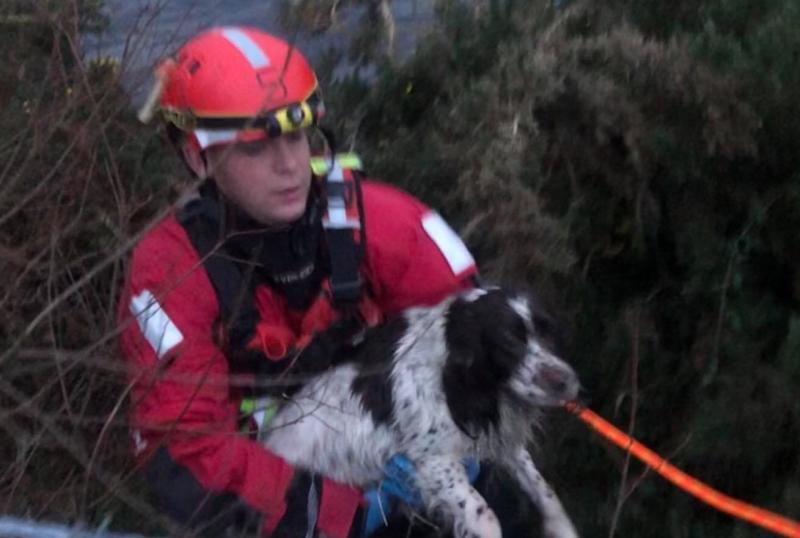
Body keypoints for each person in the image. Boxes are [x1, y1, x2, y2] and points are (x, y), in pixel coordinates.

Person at [118, 26, 480, 537]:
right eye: (255, 148)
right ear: (198, 158)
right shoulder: (169, 273)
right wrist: (351, 513)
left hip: (415, 481)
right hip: (282, 515)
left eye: (296, 136)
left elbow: (475, 337)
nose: (290, 165)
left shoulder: (382, 223)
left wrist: (463, 446)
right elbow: (186, 450)